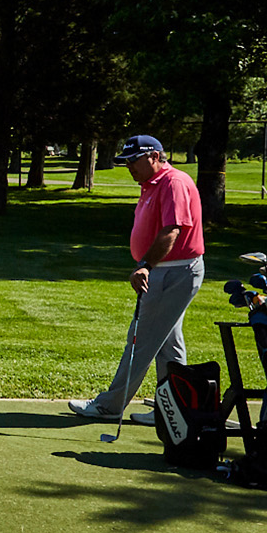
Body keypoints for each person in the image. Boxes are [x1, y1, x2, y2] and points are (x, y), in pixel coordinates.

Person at [68, 134, 206, 424]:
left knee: (140, 339)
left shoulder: (173, 182)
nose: (129, 166)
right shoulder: (151, 183)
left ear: (154, 156)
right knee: (168, 345)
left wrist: (146, 265)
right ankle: (173, 410)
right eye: (126, 161)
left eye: (134, 160)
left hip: (172, 271)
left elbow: (172, 230)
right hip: (167, 270)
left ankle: (110, 406)